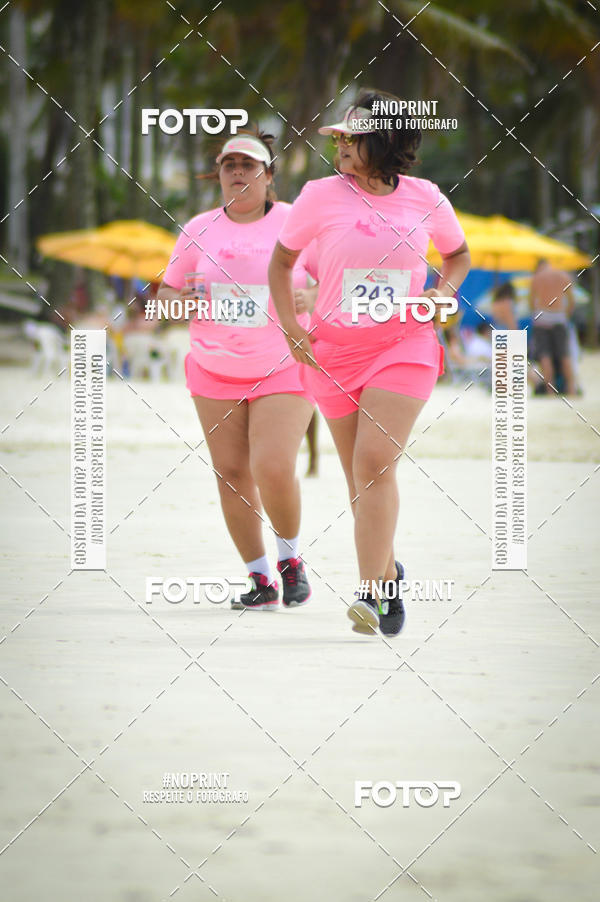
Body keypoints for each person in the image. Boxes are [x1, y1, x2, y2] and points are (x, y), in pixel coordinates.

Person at [269, 90, 470, 637]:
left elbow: (458, 254)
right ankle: (390, 574)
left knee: (375, 463)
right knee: (361, 480)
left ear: (382, 140)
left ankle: (370, 595)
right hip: (331, 352)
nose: (338, 145)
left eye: (350, 137)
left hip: (404, 345)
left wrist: (441, 296)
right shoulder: (318, 195)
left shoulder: (425, 197)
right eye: (337, 136)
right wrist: (292, 326)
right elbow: (282, 262)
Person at [157, 131, 315, 610]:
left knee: (271, 465)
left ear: (269, 177)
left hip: (286, 363)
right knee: (230, 473)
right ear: (219, 175)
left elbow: (339, 280)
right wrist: (181, 302)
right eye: (231, 166)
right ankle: (260, 580)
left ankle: (290, 561)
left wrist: (313, 297)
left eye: (250, 166)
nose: (239, 173)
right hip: (214, 368)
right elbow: (165, 296)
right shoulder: (198, 228)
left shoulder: (297, 223)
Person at [529, 259, 576, 395]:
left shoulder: (536, 278)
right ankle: (571, 389)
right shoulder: (563, 276)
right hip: (559, 316)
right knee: (564, 354)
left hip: (542, 317)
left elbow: (532, 302)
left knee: (545, 355)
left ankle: (550, 391)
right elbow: (571, 301)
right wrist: (565, 315)